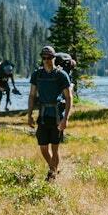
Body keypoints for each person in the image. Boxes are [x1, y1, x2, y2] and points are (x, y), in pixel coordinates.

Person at [27, 45, 73, 181]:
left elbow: (69, 97)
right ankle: (53, 168)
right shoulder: (37, 74)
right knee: (43, 148)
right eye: (44, 57)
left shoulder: (61, 75)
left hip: (57, 116)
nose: (46, 60)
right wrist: (29, 115)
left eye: (49, 57)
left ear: (54, 58)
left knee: (55, 148)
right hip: (42, 116)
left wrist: (66, 118)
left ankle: (52, 175)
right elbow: (31, 95)